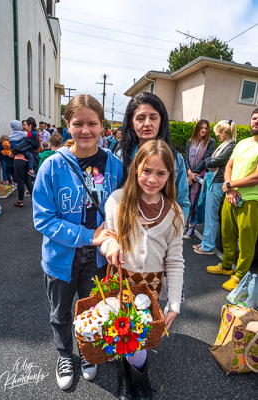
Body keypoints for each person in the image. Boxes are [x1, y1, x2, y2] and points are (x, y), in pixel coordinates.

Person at [32, 94, 123, 391]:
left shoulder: (115, 166)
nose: (85, 130)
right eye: (78, 123)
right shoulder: (51, 167)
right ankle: (64, 354)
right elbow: (43, 220)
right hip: (61, 257)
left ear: (103, 126)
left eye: (92, 123)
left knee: (91, 310)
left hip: (99, 257)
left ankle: (87, 351)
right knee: (60, 312)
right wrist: (89, 235)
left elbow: (120, 208)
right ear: (67, 125)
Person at [99, 139, 185, 400]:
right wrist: (111, 244)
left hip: (151, 287)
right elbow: (106, 237)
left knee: (140, 336)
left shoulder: (174, 213)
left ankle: (139, 377)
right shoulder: (117, 201)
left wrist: (174, 304)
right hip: (120, 280)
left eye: (161, 173)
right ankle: (127, 377)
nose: (152, 179)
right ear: (136, 169)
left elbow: (176, 261)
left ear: (169, 175)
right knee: (120, 331)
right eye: (146, 171)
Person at [116, 92, 189, 223]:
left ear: (161, 121)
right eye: (141, 118)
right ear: (131, 122)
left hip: (161, 235)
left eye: (153, 117)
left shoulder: (176, 159)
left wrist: (175, 232)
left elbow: (182, 202)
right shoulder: (119, 156)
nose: (147, 123)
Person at [207, 109, 258, 291]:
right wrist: (230, 188)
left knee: (246, 241)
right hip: (231, 195)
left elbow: (257, 177)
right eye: (254, 118)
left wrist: (231, 185)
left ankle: (240, 276)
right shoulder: (243, 143)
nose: (256, 121)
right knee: (227, 233)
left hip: (251, 199)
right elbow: (229, 164)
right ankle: (226, 267)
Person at [194, 120, 236, 255]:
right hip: (214, 181)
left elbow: (213, 161)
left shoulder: (230, 146)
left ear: (224, 133)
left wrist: (209, 162)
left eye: (218, 134)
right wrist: (209, 162)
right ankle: (206, 242)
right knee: (209, 214)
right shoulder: (226, 145)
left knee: (211, 215)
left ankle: (208, 246)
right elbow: (210, 161)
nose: (217, 137)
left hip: (217, 182)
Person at [184, 119, 216, 238]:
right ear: (197, 128)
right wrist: (189, 172)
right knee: (186, 199)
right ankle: (185, 224)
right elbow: (186, 156)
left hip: (200, 176)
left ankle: (193, 226)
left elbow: (206, 159)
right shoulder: (191, 141)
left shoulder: (211, 142)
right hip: (190, 174)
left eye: (206, 128)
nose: (203, 130)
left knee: (196, 201)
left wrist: (194, 174)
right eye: (201, 128)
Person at [13, 118, 38, 207]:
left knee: (20, 181)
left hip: (20, 160)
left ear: (30, 126)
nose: (23, 127)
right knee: (28, 181)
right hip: (28, 161)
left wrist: (12, 150)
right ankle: (33, 199)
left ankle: (20, 201)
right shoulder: (33, 137)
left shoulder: (27, 138)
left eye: (24, 125)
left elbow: (17, 148)